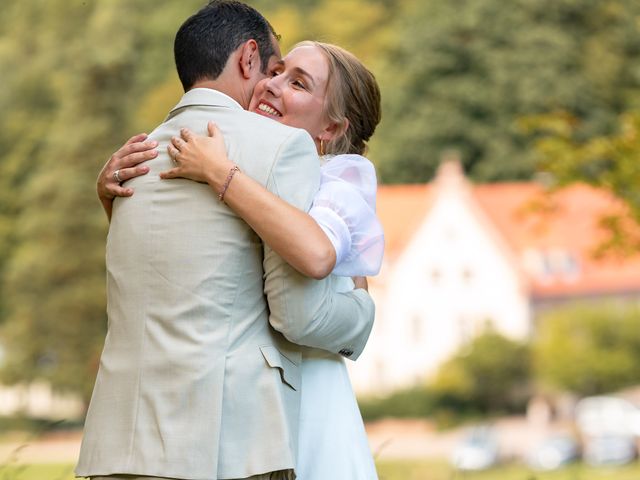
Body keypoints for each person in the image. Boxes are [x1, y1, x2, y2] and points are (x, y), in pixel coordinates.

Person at [76, 2, 375, 480]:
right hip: (232, 439)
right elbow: (299, 312)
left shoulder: (140, 155)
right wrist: (364, 315)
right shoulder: (275, 151)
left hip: (121, 443)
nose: (272, 86)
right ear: (247, 58)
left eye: (295, 81)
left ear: (333, 129)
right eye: (276, 72)